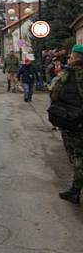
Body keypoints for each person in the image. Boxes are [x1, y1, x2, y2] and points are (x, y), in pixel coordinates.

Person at [49, 45, 83, 205]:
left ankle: (75, 191)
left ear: (75, 58)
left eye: (71, 56)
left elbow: (54, 93)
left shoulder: (68, 74)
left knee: (77, 157)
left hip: (74, 122)